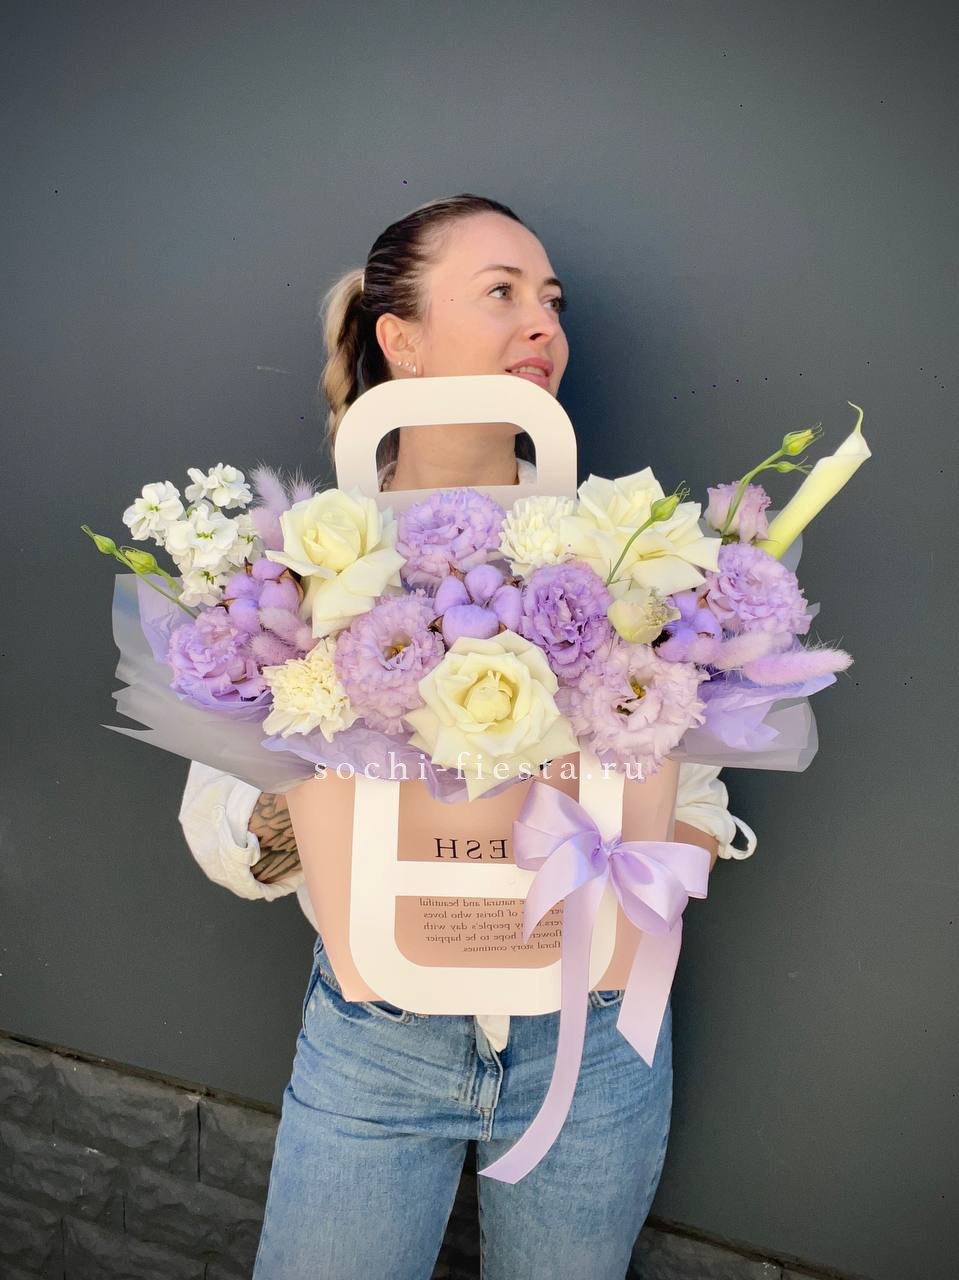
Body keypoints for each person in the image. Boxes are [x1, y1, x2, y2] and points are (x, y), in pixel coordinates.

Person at [178, 194, 757, 1280]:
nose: (542, 322)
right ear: (400, 339)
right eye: (501, 292)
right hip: (377, 1032)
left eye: (552, 300)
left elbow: (701, 794)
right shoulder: (305, 560)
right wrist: (321, 778)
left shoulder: (625, 552)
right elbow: (220, 830)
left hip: (591, 1037)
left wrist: (651, 857)